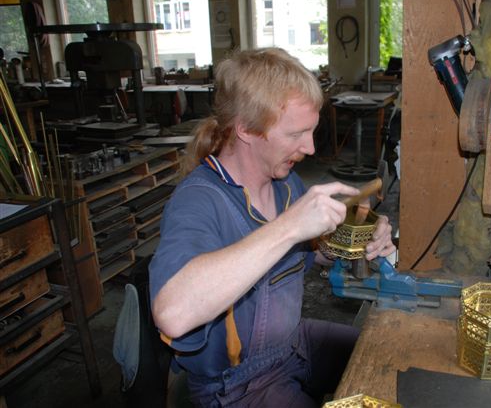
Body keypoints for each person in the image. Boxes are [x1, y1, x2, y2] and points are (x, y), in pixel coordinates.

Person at [149, 48, 396, 407]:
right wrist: (290, 226)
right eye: (296, 134)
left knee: (383, 358)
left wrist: (360, 236)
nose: (310, 148)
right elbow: (172, 315)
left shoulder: (284, 182)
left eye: (312, 131)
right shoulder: (198, 201)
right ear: (246, 129)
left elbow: (312, 252)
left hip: (292, 344)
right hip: (236, 386)